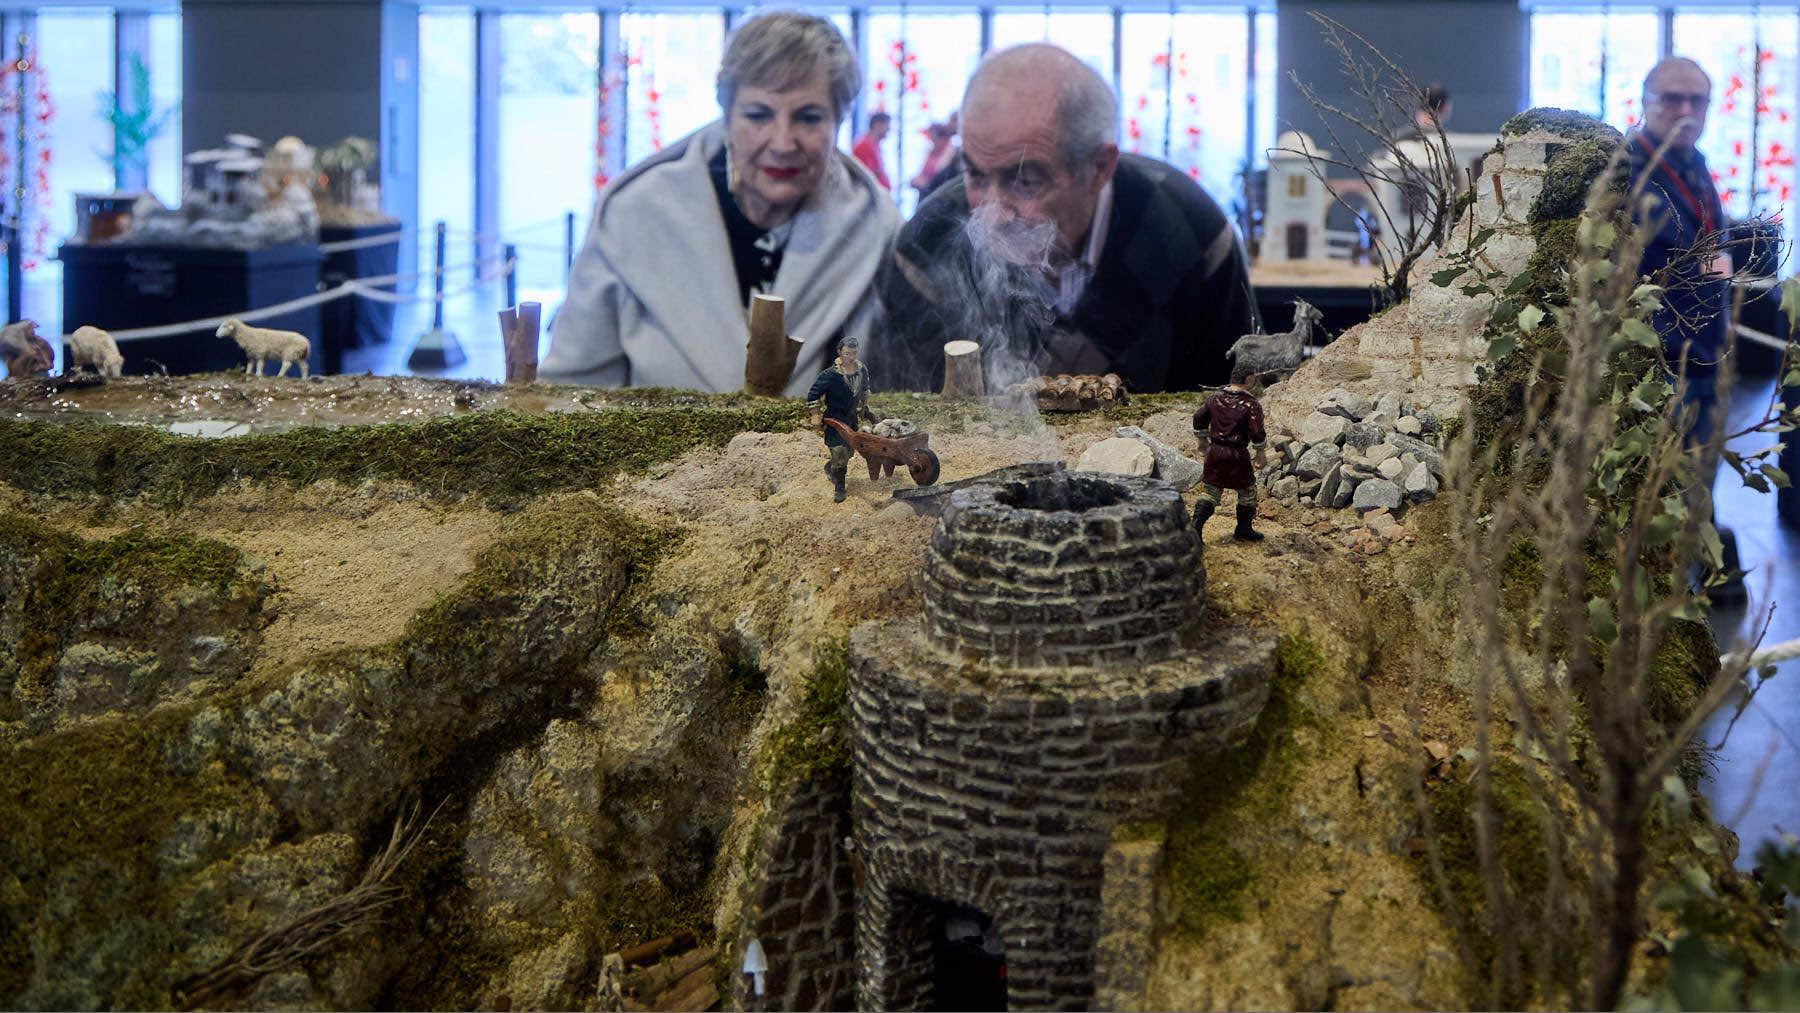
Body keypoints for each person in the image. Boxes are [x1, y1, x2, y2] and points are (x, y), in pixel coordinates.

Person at [542, 13, 900, 393]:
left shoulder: (875, 224)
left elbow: (896, 390)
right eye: (758, 115)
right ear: (726, 114)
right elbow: (571, 390)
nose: (781, 143)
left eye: (808, 118)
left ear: (839, 119)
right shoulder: (634, 214)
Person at [873, 44, 1258, 394]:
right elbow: (905, 418)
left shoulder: (1191, 234)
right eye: (974, 174)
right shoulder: (925, 249)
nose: (989, 218)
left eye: (1024, 180)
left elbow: (1239, 407)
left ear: (1099, 167)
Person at [1191, 357, 1267, 542]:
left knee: (1210, 492)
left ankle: (1195, 529)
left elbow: (1199, 417)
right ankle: (1243, 529)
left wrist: (1202, 441)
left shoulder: (1214, 399)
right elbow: (1256, 431)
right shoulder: (1251, 404)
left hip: (1215, 453)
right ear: (1249, 379)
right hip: (1237, 455)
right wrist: (1260, 452)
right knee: (1247, 492)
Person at [806, 336, 875, 501]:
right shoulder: (830, 375)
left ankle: (831, 467)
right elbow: (813, 395)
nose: (850, 357)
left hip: (851, 419)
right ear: (839, 353)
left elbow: (865, 390)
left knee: (849, 452)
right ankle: (840, 488)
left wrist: (865, 410)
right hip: (835, 420)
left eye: (854, 353)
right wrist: (816, 414)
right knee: (839, 452)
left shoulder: (861, 370)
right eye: (846, 353)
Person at [911, 120, 957, 200]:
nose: (931, 140)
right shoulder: (932, 152)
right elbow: (923, 174)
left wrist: (925, 183)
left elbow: (939, 178)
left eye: (933, 137)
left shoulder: (951, 153)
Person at [852, 112, 892, 190]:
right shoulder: (864, 146)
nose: (888, 129)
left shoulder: (875, 146)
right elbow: (865, 178)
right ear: (877, 125)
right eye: (886, 125)